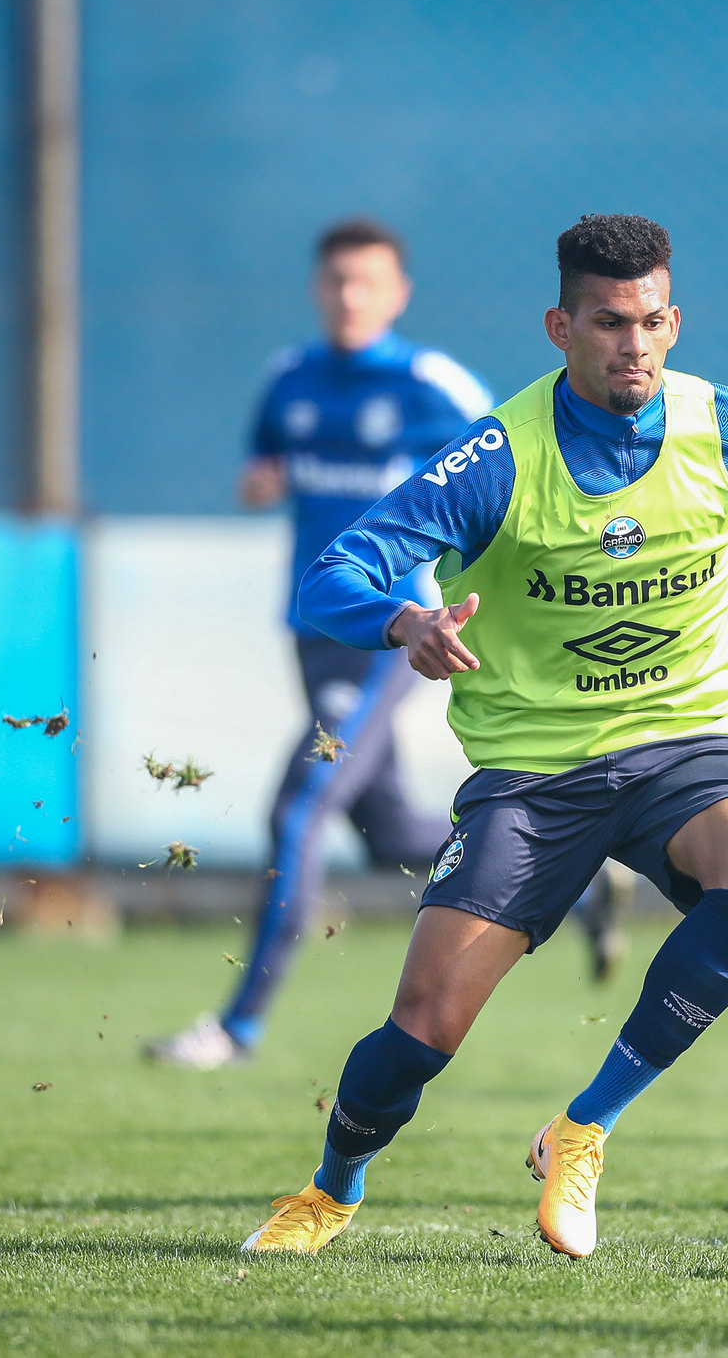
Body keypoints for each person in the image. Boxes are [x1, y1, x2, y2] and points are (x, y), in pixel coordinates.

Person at [239, 214, 728, 1258]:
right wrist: (404, 621)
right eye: (606, 323)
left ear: (673, 321)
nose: (632, 345)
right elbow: (333, 576)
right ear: (560, 327)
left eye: (649, 322)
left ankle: (584, 1126)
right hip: (532, 773)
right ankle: (330, 1190)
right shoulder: (496, 458)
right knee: (423, 1027)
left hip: (681, 741)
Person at [146, 218, 503, 1070]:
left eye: (366, 282)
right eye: (337, 280)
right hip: (313, 631)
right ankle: (578, 875)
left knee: (300, 807)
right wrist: (261, 482)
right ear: (317, 288)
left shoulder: (430, 383)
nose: (349, 296)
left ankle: (237, 1028)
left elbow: (510, 467)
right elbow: (261, 468)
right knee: (390, 831)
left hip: (390, 634)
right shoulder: (289, 379)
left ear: (398, 294)